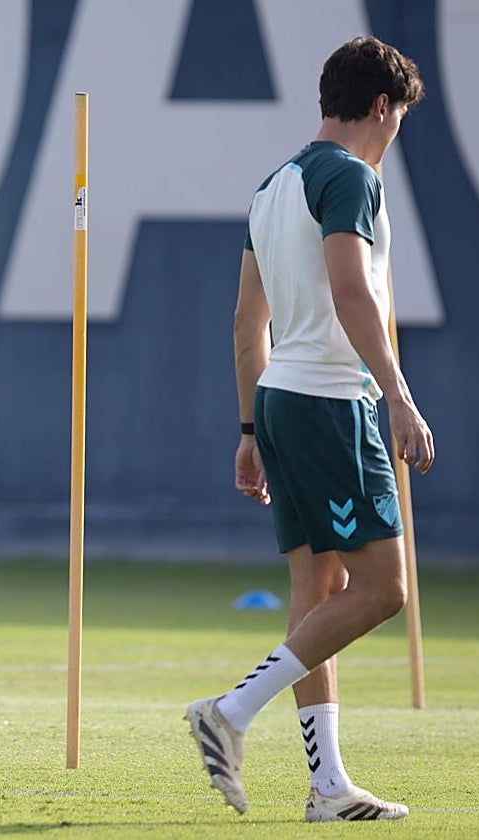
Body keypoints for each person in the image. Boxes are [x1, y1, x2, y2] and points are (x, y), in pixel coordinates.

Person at [186, 36, 434, 822]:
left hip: (283, 399)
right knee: (384, 590)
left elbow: (244, 320)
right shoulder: (352, 176)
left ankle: (327, 788)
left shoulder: (274, 184)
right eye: (398, 121)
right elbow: (352, 289)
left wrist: (250, 427)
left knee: (316, 588)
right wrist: (398, 393)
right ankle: (230, 711)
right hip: (333, 400)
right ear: (383, 108)